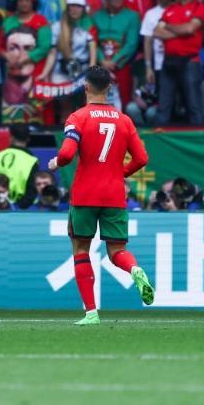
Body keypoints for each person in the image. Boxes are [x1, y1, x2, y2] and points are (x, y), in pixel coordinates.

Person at [47, 65, 154, 325]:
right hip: (114, 194)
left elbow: (67, 153)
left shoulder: (78, 117)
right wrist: (119, 173)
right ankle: (134, 269)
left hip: (85, 194)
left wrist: (56, 163)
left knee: (81, 249)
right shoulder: (124, 120)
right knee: (117, 250)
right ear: (109, 88)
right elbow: (142, 158)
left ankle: (91, 312)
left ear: (85, 87)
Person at [0, 124, 39, 205]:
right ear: (28, 139)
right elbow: (31, 191)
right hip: (19, 209)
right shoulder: (32, 161)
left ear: (11, 138)